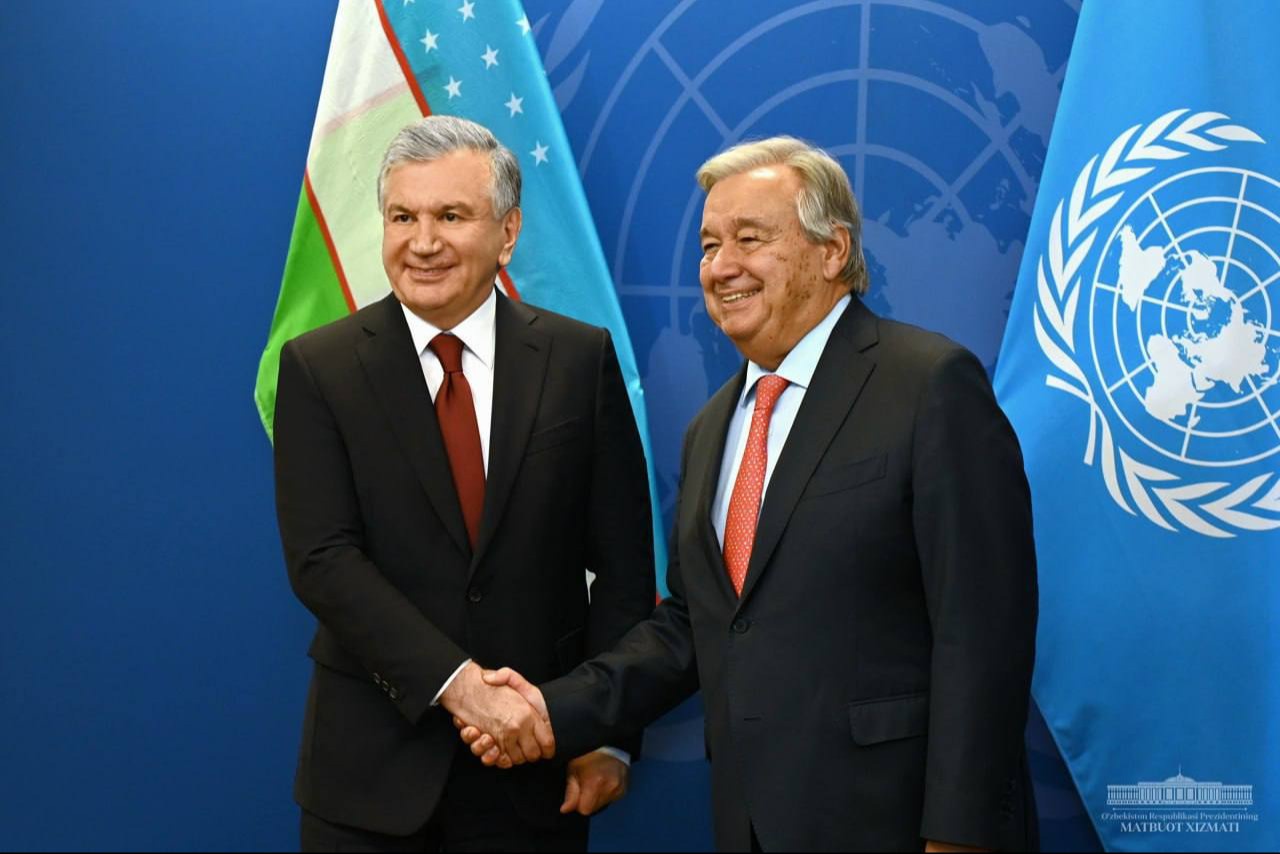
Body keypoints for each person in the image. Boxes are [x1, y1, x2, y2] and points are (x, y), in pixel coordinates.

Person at [460, 137, 1039, 852]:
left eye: (749, 239)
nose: (721, 266)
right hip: (750, 823)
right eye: (709, 246)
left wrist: (961, 834)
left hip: (898, 822)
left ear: (833, 251)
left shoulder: (928, 385)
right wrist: (554, 710)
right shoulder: (711, 429)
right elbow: (696, 627)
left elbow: (983, 630)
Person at [273, 115, 656, 852]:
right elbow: (323, 560)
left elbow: (624, 565)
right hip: (370, 778)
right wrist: (462, 687)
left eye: (451, 216)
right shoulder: (321, 369)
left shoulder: (578, 360)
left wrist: (601, 731)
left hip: (534, 768)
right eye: (403, 217)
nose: (423, 242)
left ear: (508, 234)